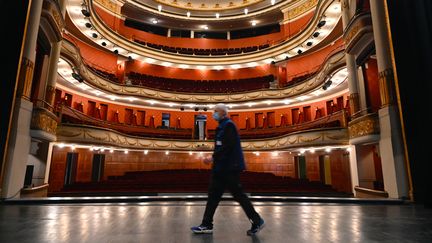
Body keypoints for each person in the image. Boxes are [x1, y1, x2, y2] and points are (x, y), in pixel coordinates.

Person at [191, 103, 265, 236]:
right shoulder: (221, 127)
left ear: (224, 113)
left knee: (239, 196)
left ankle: (257, 220)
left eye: (216, 111)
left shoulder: (229, 125)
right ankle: (206, 224)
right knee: (213, 196)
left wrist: (212, 157)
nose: (214, 113)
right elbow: (222, 147)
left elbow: (227, 146)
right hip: (221, 169)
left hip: (230, 168)